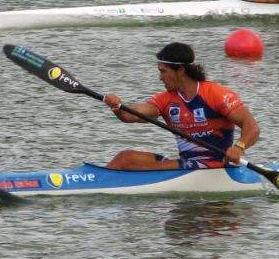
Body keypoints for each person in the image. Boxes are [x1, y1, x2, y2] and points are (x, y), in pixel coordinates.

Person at [101, 43, 259, 171]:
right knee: (125, 157)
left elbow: (251, 126)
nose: (160, 78)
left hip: (214, 166)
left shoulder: (215, 94)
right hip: (187, 164)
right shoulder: (166, 99)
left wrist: (239, 147)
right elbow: (132, 115)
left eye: (163, 71)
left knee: (130, 161)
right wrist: (119, 106)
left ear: (181, 70)